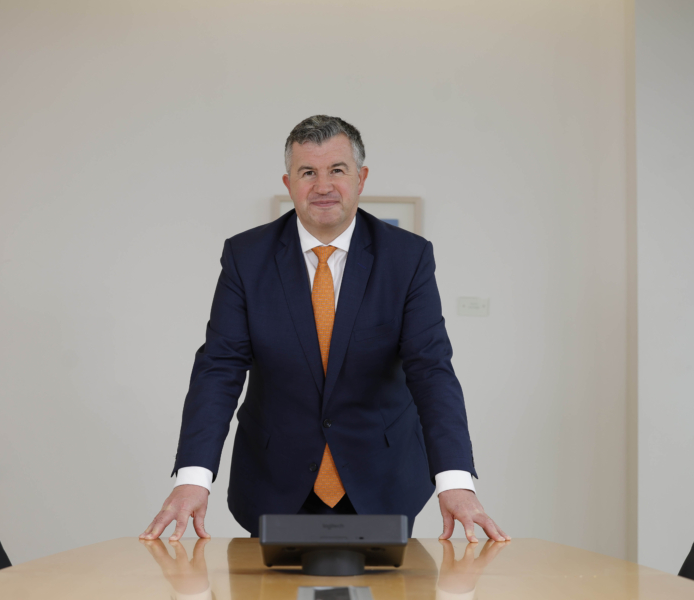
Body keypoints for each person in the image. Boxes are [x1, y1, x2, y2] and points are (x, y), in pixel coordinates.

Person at [140, 115, 507, 544]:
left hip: (382, 479)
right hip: (273, 480)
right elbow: (220, 367)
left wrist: (455, 479)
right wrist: (194, 476)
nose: (323, 185)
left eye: (337, 170)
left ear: (361, 178)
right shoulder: (246, 256)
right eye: (308, 172)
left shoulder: (407, 258)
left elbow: (431, 369)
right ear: (289, 182)